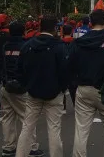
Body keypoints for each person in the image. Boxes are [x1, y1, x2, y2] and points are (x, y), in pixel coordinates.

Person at [69, 8, 104, 157]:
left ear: (90, 22)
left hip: (83, 89)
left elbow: (70, 65)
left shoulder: (78, 42)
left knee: (81, 129)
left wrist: (75, 83)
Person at [15, 15, 69, 157]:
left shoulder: (28, 45)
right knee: (54, 130)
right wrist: (62, 88)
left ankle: (20, 154)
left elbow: (20, 69)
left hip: (33, 93)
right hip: (54, 93)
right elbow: (64, 71)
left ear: (40, 27)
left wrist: (27, 85)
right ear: (55, 28)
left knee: (27, 127)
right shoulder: (59, 46)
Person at [0, 21, 43, 157]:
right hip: (21, 88)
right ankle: (31, 147)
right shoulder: (26, 46)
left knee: (7, 117)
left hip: (6, 86)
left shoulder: (5, 46)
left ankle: (8, 147)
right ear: (23, 31)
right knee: (27, 117)